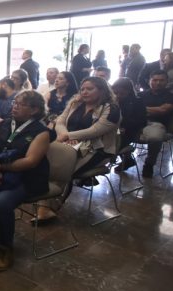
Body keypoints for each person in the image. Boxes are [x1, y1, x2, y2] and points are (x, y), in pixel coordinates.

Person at [0, 90, 54, 270]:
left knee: (2, 203)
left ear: (34, 110)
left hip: (28, 179)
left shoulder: (41, 132)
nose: (14, 106)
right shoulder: (4, 124)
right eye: (14, 103)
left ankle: (5, 248)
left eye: (20, 104)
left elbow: (30, 162)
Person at [37, 77, 120, 221]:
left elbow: (95, 130)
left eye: (90, 89)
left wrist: (68, 135)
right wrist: (65, 135)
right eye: (83, 89)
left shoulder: (111, 108)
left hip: (97, 150)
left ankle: (48, 206)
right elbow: (60, 120)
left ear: (101, 90)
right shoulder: (76, 102)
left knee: (62, 169)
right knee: (48, 163)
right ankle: (47, 206)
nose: (85, 92)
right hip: (70, 143)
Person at [138, 70, 173, 177]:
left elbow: (163, 110)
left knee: (155, 138)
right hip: (138, 123)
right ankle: (127, 159)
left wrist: (141, 109)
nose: (158, 83)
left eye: (161, 80)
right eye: (155, 80)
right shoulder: (140, 94)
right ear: (149, 81)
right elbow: (131, 110)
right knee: (115, 130)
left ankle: (149, 163)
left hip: (156, 124)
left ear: (167, 81)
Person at [111, 78, 147, 173]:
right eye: (115, 93)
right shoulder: (110, 101)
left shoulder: (137, 102)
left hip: (129, 130)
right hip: (113, 129)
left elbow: (142, 121)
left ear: (129, 92)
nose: (118, 96)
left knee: (110, 139)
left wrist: (124, 126)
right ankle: (127, 159)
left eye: (122, 94)